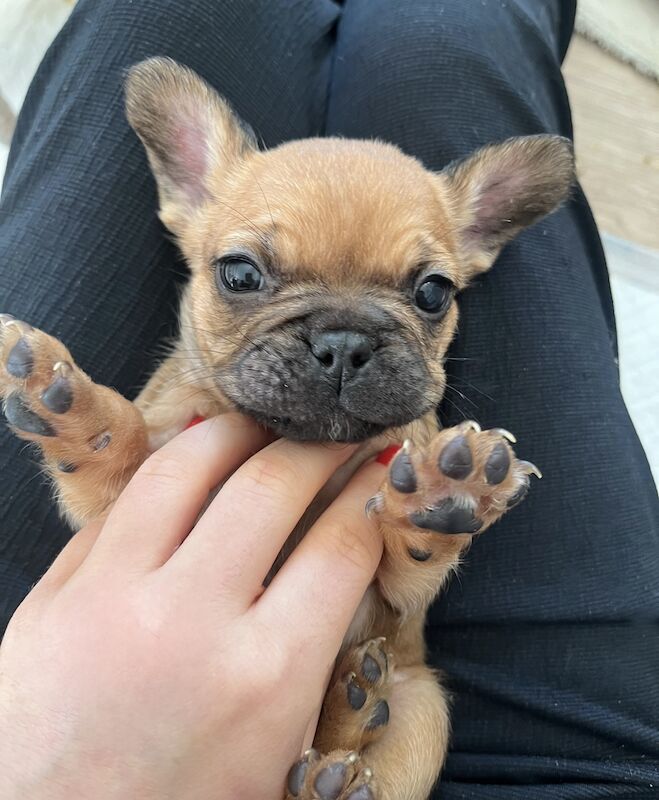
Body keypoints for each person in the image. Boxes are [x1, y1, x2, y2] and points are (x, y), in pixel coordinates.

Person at [0, 1, 657, 798]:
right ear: (187, 195)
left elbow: (399, 598)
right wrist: (97, 434)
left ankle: (351, 753)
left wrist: (420, 536)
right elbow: (110, 511)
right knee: (449, 37)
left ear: (479, 241)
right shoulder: (198, 390)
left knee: (417, 702)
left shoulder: (422, 441)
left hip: (349, 686)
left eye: (423, 294)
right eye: (247, 278)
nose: (339, 350)